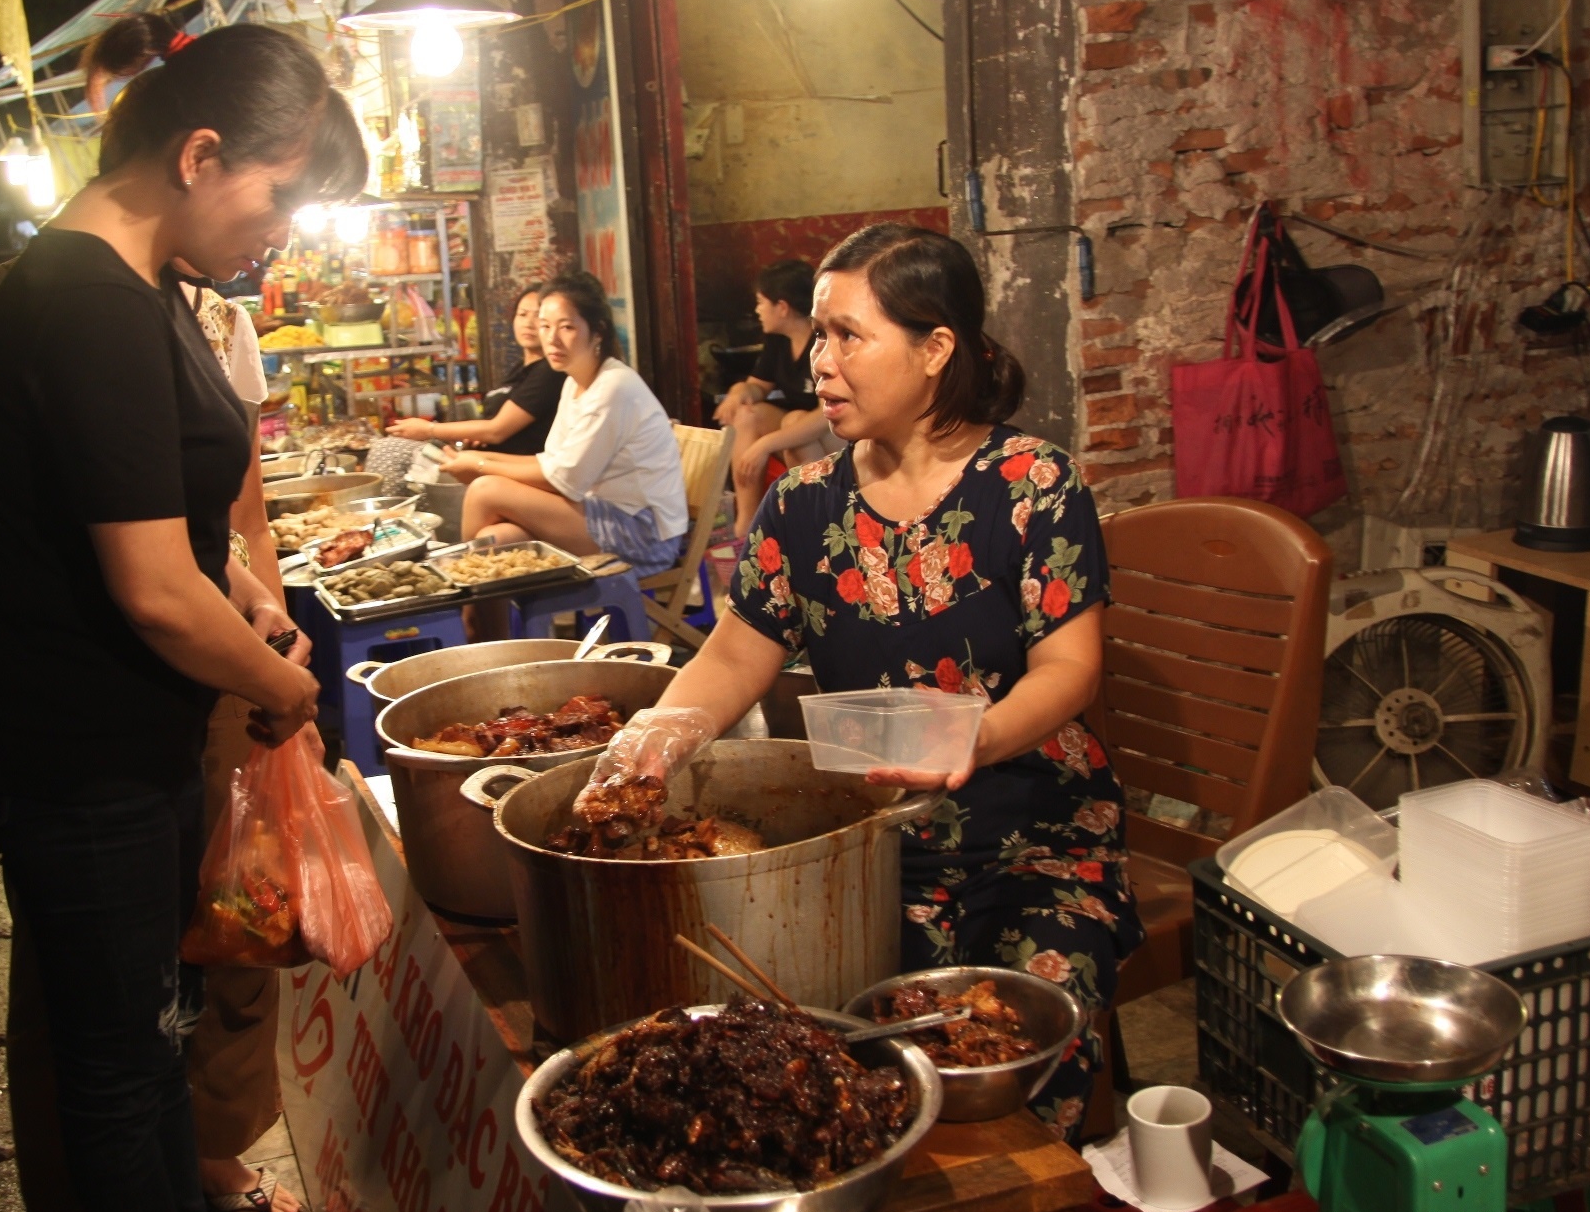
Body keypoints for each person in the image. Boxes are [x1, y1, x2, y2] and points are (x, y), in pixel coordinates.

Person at [0, 21, 366, 1212]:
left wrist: (246, 573)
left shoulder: (137, 285)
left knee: (149, 1035)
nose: (279, 229)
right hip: (76, 752)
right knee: (121, 1060)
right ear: (199, 155)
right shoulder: (78, 294)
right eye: (280, 192)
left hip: (127, 742)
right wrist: (283, 685)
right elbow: (144, 585)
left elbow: (173, 514)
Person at [575, 223, 1140, 1142]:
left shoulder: (1033, 485)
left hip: (1031, 836)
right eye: (821, 337)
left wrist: (972, 737)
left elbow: (1070, 670)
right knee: (833, 1070)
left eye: (848, 337)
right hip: (871, 850)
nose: (820, 368)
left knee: (1013, 1055)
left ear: (935, 349)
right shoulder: (806, 505)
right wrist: (659, 736)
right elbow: (734, 653)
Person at [443, 272, 687, 575]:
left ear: (597, 331)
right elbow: (552, 462)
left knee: (484, 490)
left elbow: (561, 479)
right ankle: (496, 621)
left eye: (567, 327)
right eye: (544, 326)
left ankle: (461, 604)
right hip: (599, 514)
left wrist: (479, 465)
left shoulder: (613, 387)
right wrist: (481, 458)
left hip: (642, 534)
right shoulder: (574, 382)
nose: (552, 339)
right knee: (496, 540)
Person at [715, 259, 835, 535]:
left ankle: (815, 524)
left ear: (782, 307)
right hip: (796, 430)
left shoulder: (822, 341)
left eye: (760, 302)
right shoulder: (779, 340)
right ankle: (746, 525)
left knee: (795, 425)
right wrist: (740, 393)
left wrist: (764, 445)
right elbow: (758, 386)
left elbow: (826, 414)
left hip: (833, 431)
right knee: (748, 415)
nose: (757, 310)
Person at [384, 285, 562, 453]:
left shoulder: (549, 372)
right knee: (389, 446)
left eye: (538, 316)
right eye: (522, 314)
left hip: (509, 465)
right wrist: (475, 434)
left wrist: (429, 429)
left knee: (391, 450)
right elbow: (493, 427)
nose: (529, 323)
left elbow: (497, 431)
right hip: (486, 456)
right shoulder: (521, 368)